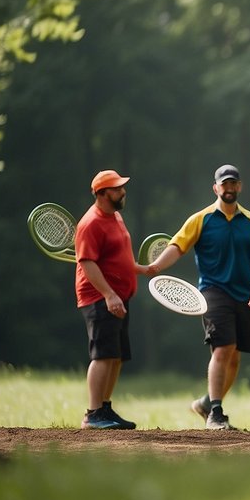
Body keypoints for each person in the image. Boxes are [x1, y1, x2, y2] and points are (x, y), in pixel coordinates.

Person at [147, 164, 250, 430]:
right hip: (212, 292)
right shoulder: (200, 219)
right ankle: (216, 413)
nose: (229, 188)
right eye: (224, 184)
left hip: (243, 294)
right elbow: (177, 247)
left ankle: (206, 403)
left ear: (240, 186)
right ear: (216, 188)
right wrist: (155, 267)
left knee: (235, 357)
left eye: (233, 183)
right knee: (223, 349)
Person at [75, 169, 147, 430]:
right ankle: (93, 414)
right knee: (103, 355)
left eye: (122, 187)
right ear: (102, 193)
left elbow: (120, 257)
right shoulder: (90, 223)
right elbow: (87, 263)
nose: (122, 191)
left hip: (120, 296)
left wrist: (140, 269)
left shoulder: (115, 216)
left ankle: (105, 408)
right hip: (100, 298)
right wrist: (108, 294)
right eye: (116, 188)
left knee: (116, 356)